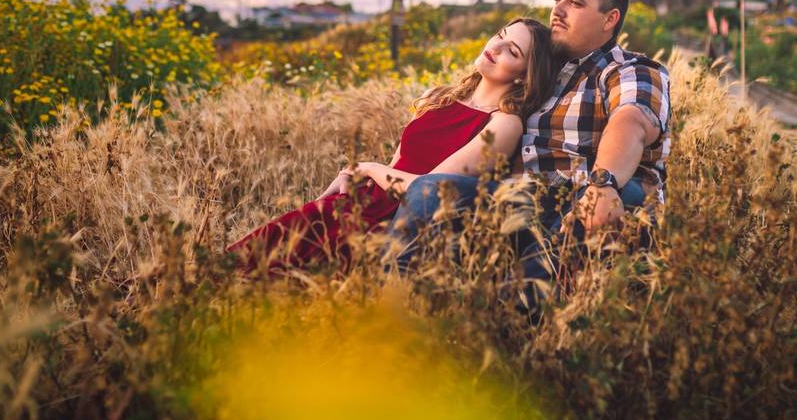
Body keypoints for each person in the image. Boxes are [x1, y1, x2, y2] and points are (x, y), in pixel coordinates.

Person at [386, 0, 672, 313]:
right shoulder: (542, 71)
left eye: (575, 3)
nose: (558, 10)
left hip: (584, 196)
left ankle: (524, 329)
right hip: (516, 199)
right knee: (431, 191)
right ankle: (385, 322)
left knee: (576, 222)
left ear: (609, 19)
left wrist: (603, 181)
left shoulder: (631, 70)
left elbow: (631, 123)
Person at [226, 18, 557, 272]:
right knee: (236, 266)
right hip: (362, 204)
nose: (495, 47)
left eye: (512, 51)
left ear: (525, 76)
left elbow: (428, 193)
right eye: (500, 35)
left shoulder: (503, 123)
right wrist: (354, 182)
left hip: (398, 228)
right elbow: (399, 161)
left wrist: (366, 167)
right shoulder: (439, 97)